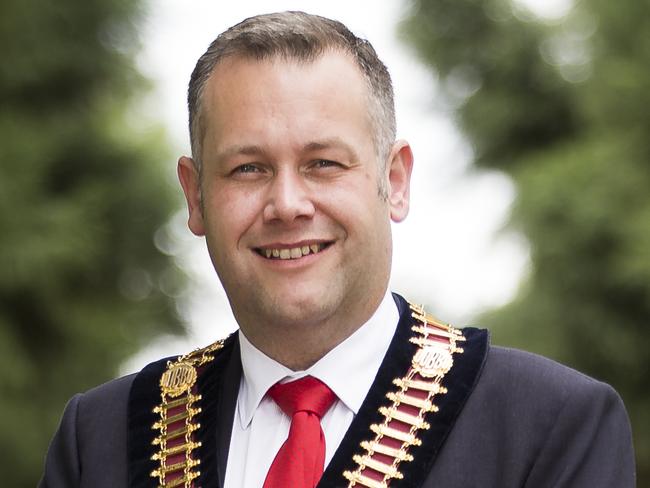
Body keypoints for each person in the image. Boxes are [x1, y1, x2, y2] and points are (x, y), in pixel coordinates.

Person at [40, 11, 635, 488]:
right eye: (248, 169)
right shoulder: (102, 440)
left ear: (394, 181)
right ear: (195, 197)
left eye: (323, 163)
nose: (288, 204)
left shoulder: (549, 427)